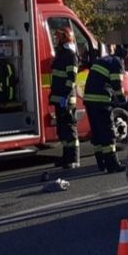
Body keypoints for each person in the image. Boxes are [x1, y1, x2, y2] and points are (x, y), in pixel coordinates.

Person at [83, 53, 128, 173]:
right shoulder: (117, 63)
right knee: (108, 134)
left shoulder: (104, 60)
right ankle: (112, 165)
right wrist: (124, 101)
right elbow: (117, 85)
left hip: (89, 100)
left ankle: (101, 162)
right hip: (101, 101)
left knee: (97, 133)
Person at [49, 27, 80, 169]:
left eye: (59, 37)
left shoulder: (70, 55)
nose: (56, 39)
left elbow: (71, 79)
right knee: (62, 130)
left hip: (67, 99)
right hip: (59, 98)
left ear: (66, 38)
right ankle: (66, 157)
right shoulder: (61, 54)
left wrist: (64, 96)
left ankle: (74, 158)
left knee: (69, 129)